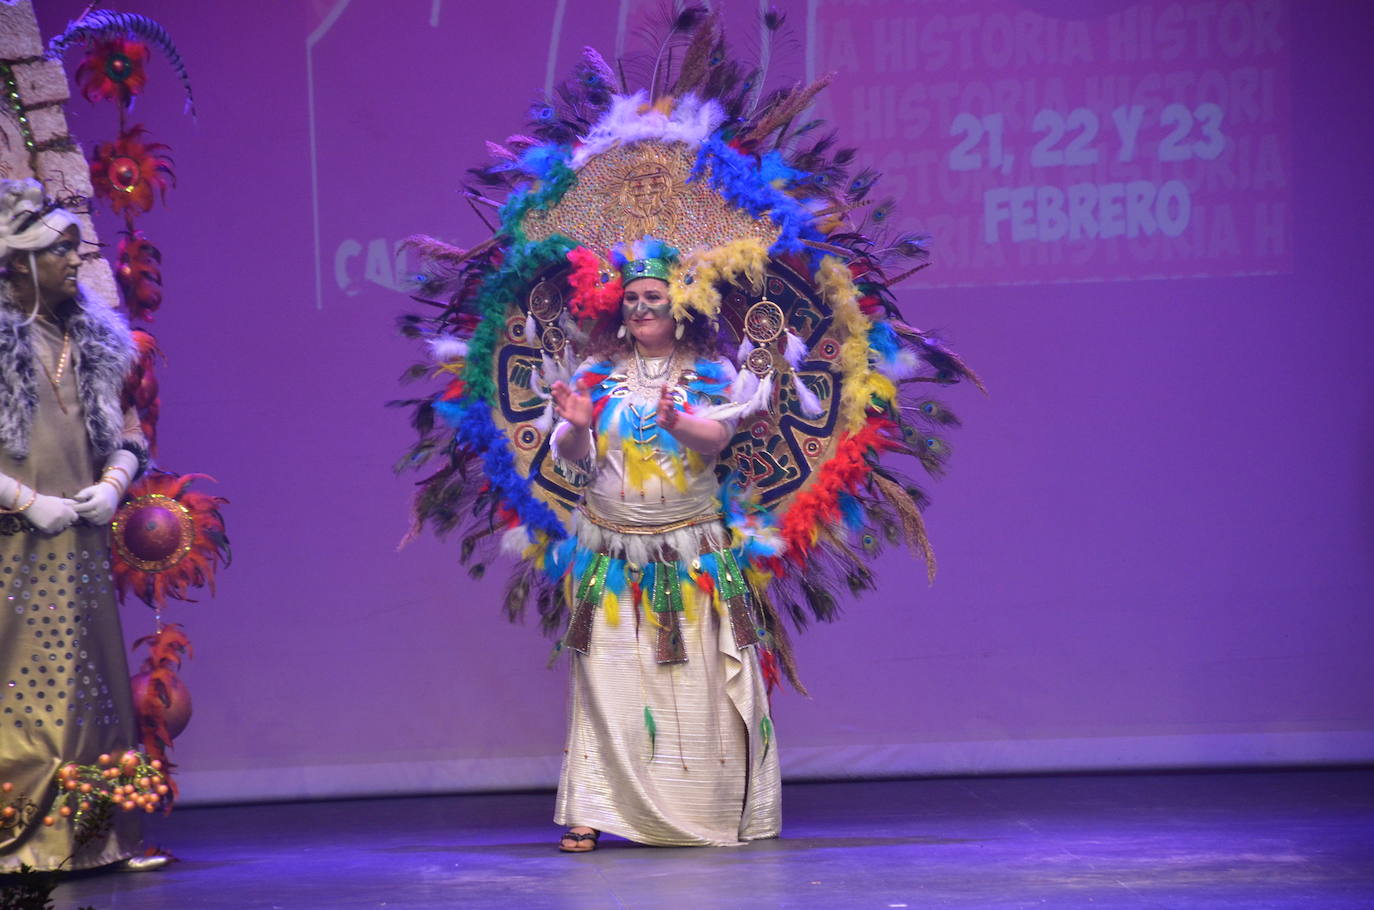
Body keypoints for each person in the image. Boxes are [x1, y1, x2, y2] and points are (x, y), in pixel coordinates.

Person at [546, 244, 780, 851]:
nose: (642, 305)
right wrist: (574, 424)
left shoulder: (710, 373)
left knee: (694, 683)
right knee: (606, 678)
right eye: (632, 297)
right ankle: (592, 807)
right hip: (610, 552)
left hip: (690, 551)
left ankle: (708, 804)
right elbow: (572, 458)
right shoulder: (594, 375)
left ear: (680, 307)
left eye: (654, 296)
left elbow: (719, 437)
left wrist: (680, 423)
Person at [0, 179, 163, 873]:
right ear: (17, 262)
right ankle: (24, 843)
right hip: (13, 550)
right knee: (20, 689)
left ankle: (98, 837)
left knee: (91, 685)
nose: (73, 259)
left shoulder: (94, 340)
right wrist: (22, 500)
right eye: (56, 249)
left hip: (81, 543)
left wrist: (112, 485)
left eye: (74, 247)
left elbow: (130, 436)